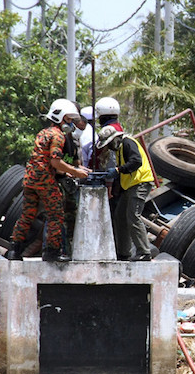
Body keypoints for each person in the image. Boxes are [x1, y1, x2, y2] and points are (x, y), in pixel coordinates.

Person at [8, 99, 91, 263]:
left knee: (27, 214)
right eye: (69, 119)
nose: (72, 123)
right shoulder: (58, 136)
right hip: (45, 180)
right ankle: (52, 252)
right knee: (56, 215)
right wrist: (76, 172)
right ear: (61, 117)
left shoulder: (43, 132)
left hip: (30, 178)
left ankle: (14, 250)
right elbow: (55, 162)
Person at [96, 123, 155, 261]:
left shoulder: (128, 143)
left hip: (140, 183)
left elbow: (136, 162)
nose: (109, 147)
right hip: (130, 186)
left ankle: (144, 252)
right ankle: (124, 253)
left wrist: (117, 171)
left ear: (115, 139)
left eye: (109, 143)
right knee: (120, 216)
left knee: (133, 216)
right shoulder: (119, 150)